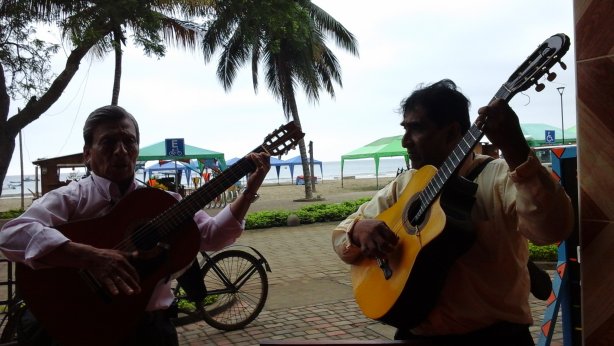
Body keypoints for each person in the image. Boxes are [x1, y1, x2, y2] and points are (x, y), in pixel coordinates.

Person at [0, 105, 271, 345]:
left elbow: (212, 236)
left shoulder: (165, 201)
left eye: (129, 141)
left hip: (152, 330)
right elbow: (11, 234)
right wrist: (89, 256)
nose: (121, 151)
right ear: (87, 154)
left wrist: (249, 191)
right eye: (108, 142)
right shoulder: (71, 198)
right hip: (84, 326)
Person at [332, 80, 573, 345]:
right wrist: (357, 229)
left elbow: (552, 229)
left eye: (417, 128)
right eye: (405, 129)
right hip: (416, 334)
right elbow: (343, 232)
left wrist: (517, 151)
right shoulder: (406, 184)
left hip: (496, 338)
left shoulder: (501, 177)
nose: (405, 141)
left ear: (452, 132)